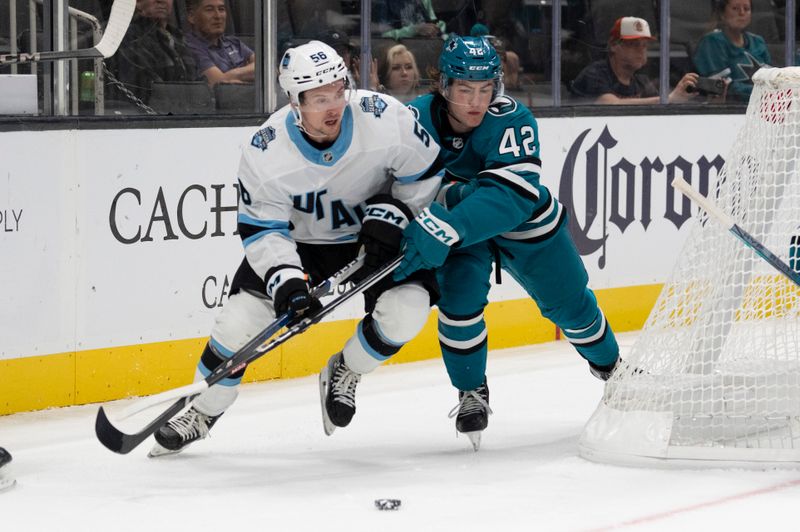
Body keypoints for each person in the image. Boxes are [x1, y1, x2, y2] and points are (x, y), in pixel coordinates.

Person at [149, 41, 442, 456]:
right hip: (303, 246)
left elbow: (428, 175)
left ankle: (346, 369)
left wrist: (394, 214)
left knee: (408, 310)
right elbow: (263, 228)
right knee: (239, 323)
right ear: (295, 101)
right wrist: (287, 282)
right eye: (320, 98)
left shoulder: (384, 117)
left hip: (374, 238)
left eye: (339, 91)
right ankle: (201, 411)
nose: (334, 106)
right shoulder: (266, 149)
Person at [399, 36, 622, 449]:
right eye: (465, 89)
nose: (476, 101)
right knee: (458, 303)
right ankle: (471, 392)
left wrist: (449, 210)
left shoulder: (512, 118)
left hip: (523, 226)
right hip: (463, 233)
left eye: (485, 89)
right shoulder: (413, 121)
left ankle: (613, 370)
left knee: (571, 306)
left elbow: (511, 197)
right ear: (444, 85)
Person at [570, 17, 698, 104]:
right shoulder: (595, 73)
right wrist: (668, 99)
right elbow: (612, 105)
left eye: (644, 45)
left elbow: (659, 109)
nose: (641, 50)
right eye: (634, 44)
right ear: (614, 45)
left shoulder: (641, 82)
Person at [113, 0, 198, 103]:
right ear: (138, 2)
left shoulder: (179, 38)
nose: (161, 1)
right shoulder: (128, 37)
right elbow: (152, 90)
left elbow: (199, 84)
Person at [693, 0, 770, 102]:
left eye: (746, 9)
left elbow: (771, 78)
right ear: (722, 13)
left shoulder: (758, 41)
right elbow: (722, 86)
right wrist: (763, 93)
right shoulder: (712, 42)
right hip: (730, 110)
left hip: (762, 107)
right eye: (735, 8)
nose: (742, 13)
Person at [185, 0, 255, 87]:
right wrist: (250, 72)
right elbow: (220, 85)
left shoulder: (234, 42)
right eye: (209, 10)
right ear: (191, 16)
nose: (218, 16)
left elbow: (269, 68)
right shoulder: (189, 47)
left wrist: (232, 74)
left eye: (221, 9)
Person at [373, 0, 446, 40]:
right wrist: (415, 30)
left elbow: (433, 23)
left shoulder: (424, 1)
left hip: (427, 49)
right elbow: (382, 36)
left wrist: (438, 28)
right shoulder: (383, 3)